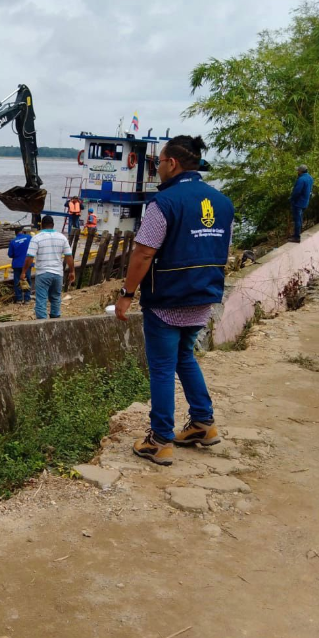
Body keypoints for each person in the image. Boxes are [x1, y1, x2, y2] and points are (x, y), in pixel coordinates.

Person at [114, 135, 235, 466]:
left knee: (163, 366)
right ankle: (202, 423)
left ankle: (160, 438)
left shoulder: (163, 203)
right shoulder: (223, 203)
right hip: (203, 295)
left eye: (159, 163)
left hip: (168, 298)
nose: (158, 169)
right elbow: (222, 248)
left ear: (173, 164)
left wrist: (126, 294)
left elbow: (144, 252)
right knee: (185, 356)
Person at [22, 215, 76, 319]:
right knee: (56, 298)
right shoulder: (62, 237)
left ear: (41, 225)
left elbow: (29, 257)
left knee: (41, 300)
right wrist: (72, 271)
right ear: (53, 225)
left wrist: (23, 272)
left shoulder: (36, 238)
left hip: (43, 273)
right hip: (58, 274)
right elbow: (69, 256)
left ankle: (42, 324)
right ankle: (55, 321)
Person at [7, 226, 33, 304]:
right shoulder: (29, 237)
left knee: (17, 281)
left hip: (17, 264)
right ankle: (27, 299)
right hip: (27, 263)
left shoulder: (13, 241)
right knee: (27, 280)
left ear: (15, 233)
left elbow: (10, 254)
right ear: (22, 231)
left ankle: (19, 299)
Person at [289, 164, 313, 243]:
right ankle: (297, 234)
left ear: (301, 171)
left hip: (298, 203)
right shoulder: (310, 178)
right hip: (305, 202)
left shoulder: (301, 179)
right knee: (300, 218)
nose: (297, 172)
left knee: (297, 220)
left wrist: (292, 199)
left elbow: (297, 192)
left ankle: (297, 237)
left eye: (298, 170)